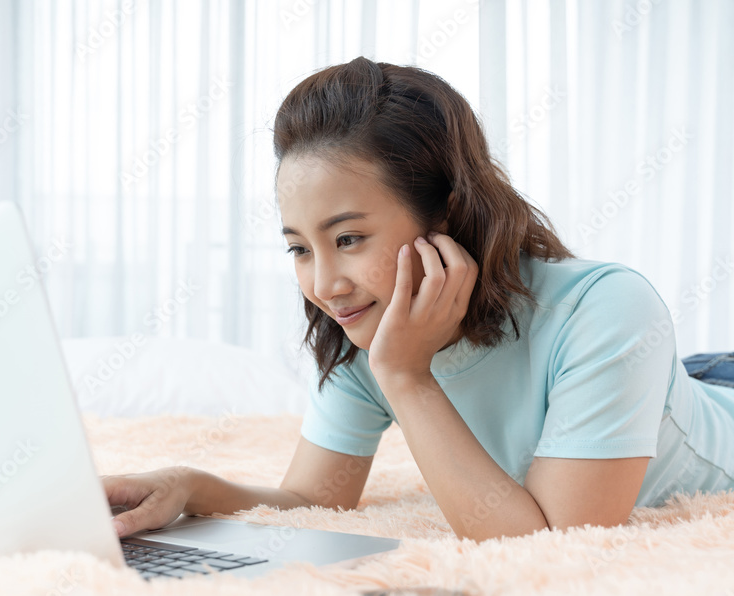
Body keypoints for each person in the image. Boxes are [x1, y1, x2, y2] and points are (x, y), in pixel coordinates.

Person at [101, 57, 734, 543]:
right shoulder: (366, 329)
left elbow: (549, 545)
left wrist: (407, 375)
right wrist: (189, 487)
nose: (325, 285)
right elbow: (315, 498)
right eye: (299, 248)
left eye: (348, 238)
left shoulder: (606, 309)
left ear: (448, 217)